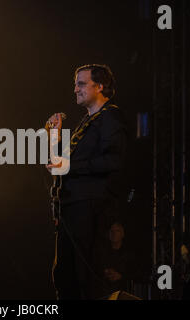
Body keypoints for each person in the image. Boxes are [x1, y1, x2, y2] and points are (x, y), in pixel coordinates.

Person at [46, 64, 128, 299]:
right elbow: (60, 164)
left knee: (85, 275)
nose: (75, 89)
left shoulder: (111, 116)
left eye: (81, 84)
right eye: (75, 84)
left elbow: (114, 161)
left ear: (100, 86)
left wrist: (70, 166)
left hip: (90, 207)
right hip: (70, 208)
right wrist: (55, 134)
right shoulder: (84, 123)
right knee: (63, 274)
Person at [95, 221, 133, 296]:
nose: (114, 233)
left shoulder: (129, 254)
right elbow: (96, 268)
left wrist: (121, 276)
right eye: (112, 231)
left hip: (124, 291)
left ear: (122, 234)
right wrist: (105, 272)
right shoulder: (101, 253)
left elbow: (134, 273)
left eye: (117, 231)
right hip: (105, 291)